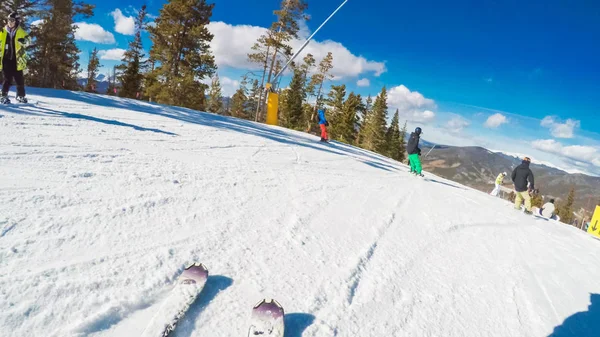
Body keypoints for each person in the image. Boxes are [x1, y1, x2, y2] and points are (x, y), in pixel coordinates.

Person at [0, 11, 29, 104]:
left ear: (16, 21)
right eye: (8, 20)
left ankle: (20, 96)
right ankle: (3, 96)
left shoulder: (21, 32)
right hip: (6, 59)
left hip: (18, 60)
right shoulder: (2, 31)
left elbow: (28, 42)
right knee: (7, 78)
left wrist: (24, 42)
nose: (10, 22)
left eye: (12, 20)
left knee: (19, 78)